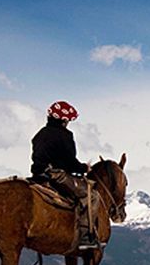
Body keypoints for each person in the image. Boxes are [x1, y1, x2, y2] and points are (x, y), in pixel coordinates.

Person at [31, 101, 100, 249]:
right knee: (92, 196)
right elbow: (69, 162)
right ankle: (85, 237)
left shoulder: (39, 134)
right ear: (64, 120)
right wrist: (84, 168)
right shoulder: (65, 135)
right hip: (56, 176)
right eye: (67, 120)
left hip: (37, 176)